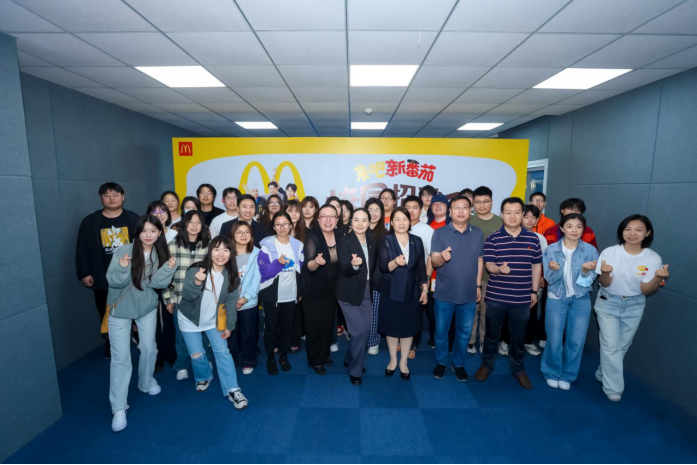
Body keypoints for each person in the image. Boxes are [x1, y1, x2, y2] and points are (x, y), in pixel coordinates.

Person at [106, 215, 176, 433]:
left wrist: (168, 269)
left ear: (159, 233)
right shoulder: (124, 251)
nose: (148, 235)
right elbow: (113, 282)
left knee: (148, 348)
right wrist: (122, 267)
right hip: (120, 309)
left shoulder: (161, 253)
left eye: (153, 231)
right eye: (144, 230)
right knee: (120, 358)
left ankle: (145, 382)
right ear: (137, 232)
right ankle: (119, 407)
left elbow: (157, 284)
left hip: (146, 308)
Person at [594, 215, 669, 403]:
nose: (632, 233)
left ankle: (603, 372)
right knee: (611, 346)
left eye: (638, 229)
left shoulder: (652, 258)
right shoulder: (610, 252)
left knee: (621, 346)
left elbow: (646, 290)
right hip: (608, 302)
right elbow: (605, 283)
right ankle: (613, 388)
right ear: (622, 231)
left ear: (647, 233)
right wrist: (605, 273)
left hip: (634, 305)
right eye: (628, 229)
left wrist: (657, 278)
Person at [476, 197, 542, 391]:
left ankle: (518, 369)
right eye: (508, 212)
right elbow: (489, 264)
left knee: (519, 336)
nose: (512, 216)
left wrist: (534, 291)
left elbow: (536, 266)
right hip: (496, 297)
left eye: (517, 212)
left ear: (522, 214)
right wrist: (498, 269)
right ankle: (486, 365)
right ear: (502, 214)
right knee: (491, 335)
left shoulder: (533, 239)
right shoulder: (493, 238)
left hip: (522, 298)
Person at [178, 236, 249, 410]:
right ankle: (204, 376)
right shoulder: (196, 270)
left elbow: (231, 304)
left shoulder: (231, 276)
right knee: (196, 355)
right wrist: (197, 281)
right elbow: (187, 296)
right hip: (189, 319)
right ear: (210, 251)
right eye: (217, 249)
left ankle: (233, 389)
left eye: (226, 249)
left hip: (213, 321)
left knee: (223, 352)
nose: (221, 254)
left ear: (231, 253)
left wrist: (230, 326)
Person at [76, 182, 140, 360]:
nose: (111, 198)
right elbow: (82, 248)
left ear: (123, 197)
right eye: (107, 195)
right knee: (106, 312)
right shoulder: (90, 222)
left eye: (115, 194)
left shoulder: (134, 219)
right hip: (102, 277)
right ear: (101, 198)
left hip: (130, 276)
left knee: (135, 309)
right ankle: (111, 343)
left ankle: (136, 334)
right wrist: (84, 272)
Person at [541, 214, 599, 391]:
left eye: (578, 226)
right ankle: (552, 373)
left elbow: (588, 282)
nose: (574, 230)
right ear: (562, 228)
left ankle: (568, 375)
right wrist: (555, 270)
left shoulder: (590, 251)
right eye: (570, 226)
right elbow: (549, 279)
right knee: (554, 339)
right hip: (557, 297)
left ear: (583, 229)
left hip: (581, 298)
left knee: (576, 340)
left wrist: (585, 271)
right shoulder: (551, 250)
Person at [431, 197, 484, 382]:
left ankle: (459, 364)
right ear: (450, 211)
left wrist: (478, 285)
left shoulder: (477, 233)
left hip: (469, 294)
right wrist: (442, 257)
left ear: (470, 210)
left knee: (464, 333)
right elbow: (434, 261)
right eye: (456, 207)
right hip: (444, 293)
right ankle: (441, 362)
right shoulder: (439, 233)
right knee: (441, 333)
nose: (461, 211)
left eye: (465, 207)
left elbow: (479, 259)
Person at [378, 208, 428, 381]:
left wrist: (425, 289)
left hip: (412, 291)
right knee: (392, 328)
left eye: (404, 219)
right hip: (391, 291)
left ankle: (404, 362)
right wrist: (395, 262)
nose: (401, 223)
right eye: (397, 219)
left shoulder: (417, 240)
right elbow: (383, 266)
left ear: (409, 221)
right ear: (391, 222)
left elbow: (421, 267)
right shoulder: (385, 240)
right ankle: (393, 359)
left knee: (408, 328)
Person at [162, 211, 212, 382]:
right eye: (191, 222)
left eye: (198, 222)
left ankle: (204, 361)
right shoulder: (172, 246)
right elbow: (165, 275)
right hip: (179, 298)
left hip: (203, 299)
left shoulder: (209, 246)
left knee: (204, 334)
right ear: (184, 224)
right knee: (181, 335)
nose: (194, 226)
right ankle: (181, 365)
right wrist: (168, 299)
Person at [258, 212, 304, 375]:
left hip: (290, 294)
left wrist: (300, 291)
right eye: (278, 224)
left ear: (291, 225)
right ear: (273, 227)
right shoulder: (267, 246)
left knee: (287, 328)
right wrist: (278, 263)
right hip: (272, 295)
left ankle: (284, 356)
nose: (282, 227)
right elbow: (264, 273)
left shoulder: (298, 245)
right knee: (270, 328)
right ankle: (271, 358)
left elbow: (301, 270)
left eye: (285, 224)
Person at [336, 208, 377, 386]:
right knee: (358, 331)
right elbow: (345, 269)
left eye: (364, 220)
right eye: (356, 220)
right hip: (348, 293)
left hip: (367, 292)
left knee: (365, 331)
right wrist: (353, 266)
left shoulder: (372, 241)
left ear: (369, 223)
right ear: (351, 222)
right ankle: (355, 370)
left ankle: (350, 358)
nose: (360, 224)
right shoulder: (344, 241)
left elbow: (375, 268)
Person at [303, 206, 342, 375]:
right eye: (324, 216)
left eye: (331, 216)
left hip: (332, 289)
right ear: (318, 219)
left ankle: (324, 354)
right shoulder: (313, 237)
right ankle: (315, 360)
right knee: (314, 326)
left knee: (327, 324)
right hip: (314, 289)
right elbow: (309, 265)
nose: (328, 220)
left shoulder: (340, 235)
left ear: (337, 219)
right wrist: (317, 262)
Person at [468, 186, 504, 355]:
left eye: (485, 201)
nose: (481, 205)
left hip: (493, 276)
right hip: (471, 275)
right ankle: (470, 341)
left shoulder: (500, 222)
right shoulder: (467, 220)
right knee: (471, 311)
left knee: (488, 313)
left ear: (492, 201)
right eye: (478, 202)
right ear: (473, 203)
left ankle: (484, 340)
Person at [227, 222, 261, 376]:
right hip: (229, 302)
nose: (243, 235)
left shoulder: (258, 253)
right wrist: (231, 299)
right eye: (239, 232)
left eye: (246, 232)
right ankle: (232, 360)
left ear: (251, 235)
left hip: (249, 302)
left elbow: (257, 279)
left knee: (248, 334)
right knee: (231, 334)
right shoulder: (226, 253)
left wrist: (245, 298)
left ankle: (248, 361)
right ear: (233, 235)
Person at [403, 196, 434, 358]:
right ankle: (401, 339)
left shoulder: (426, 230)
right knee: (402, 311)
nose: (411, 211)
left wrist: (425, 279)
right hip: (401, 279)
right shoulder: (398, 227)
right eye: (407, 207)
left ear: (421, 210)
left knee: (416, 313)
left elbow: (431, 256)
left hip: (419, 279)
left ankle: (413, 344)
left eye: (415, 207)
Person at [522, 205, 549, 357]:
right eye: (526, 216)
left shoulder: (540, 238)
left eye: (534, 217)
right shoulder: (512, 235)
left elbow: (544, 261)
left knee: (532, 312)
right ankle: (505, 341)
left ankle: (528, 341)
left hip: (532, 282)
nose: (530, 220)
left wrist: (541, 277)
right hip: (513, 283)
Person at [427, 193, 451, 350]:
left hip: (448, 277)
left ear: (448, 207)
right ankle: (433, 337)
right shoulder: (427, 226)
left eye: (441, 204)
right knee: (432, 311)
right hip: (431, 277)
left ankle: (449, 340)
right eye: (434, 204)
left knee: (448, 311)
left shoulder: (452, 226)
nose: (437, 206)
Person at [365, 198, 388, 355]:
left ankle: (373, 342)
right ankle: (360, 339)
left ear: (382, 213)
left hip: (377, 281)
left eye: (377, 210)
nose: (373, 213)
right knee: (361, 314)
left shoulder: (386, 234)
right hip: (359, 280)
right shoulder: (359, 231)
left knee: (373, 313)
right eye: (370, 210)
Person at [285, 199, 307, 353]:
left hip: (300, 276)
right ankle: (280, 339)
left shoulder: (307, 233)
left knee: (296, 310)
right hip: (282, 275)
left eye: (297, 211)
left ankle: (294, 339)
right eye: (290, 210)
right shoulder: (277, 231)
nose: (293, 214)